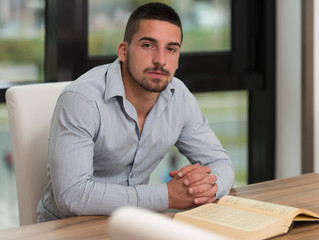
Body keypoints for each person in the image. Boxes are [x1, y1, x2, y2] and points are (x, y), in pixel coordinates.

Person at [37, 2, 234, 222]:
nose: (160, 60)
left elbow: (221, 163)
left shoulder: (179, 97)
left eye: (171, 49)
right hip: (69, 228)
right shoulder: (81, 100)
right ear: (123, 51)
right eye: (148, 45)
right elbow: (71, 196)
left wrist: (203, 187)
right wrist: (167, 196)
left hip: (134, 225)